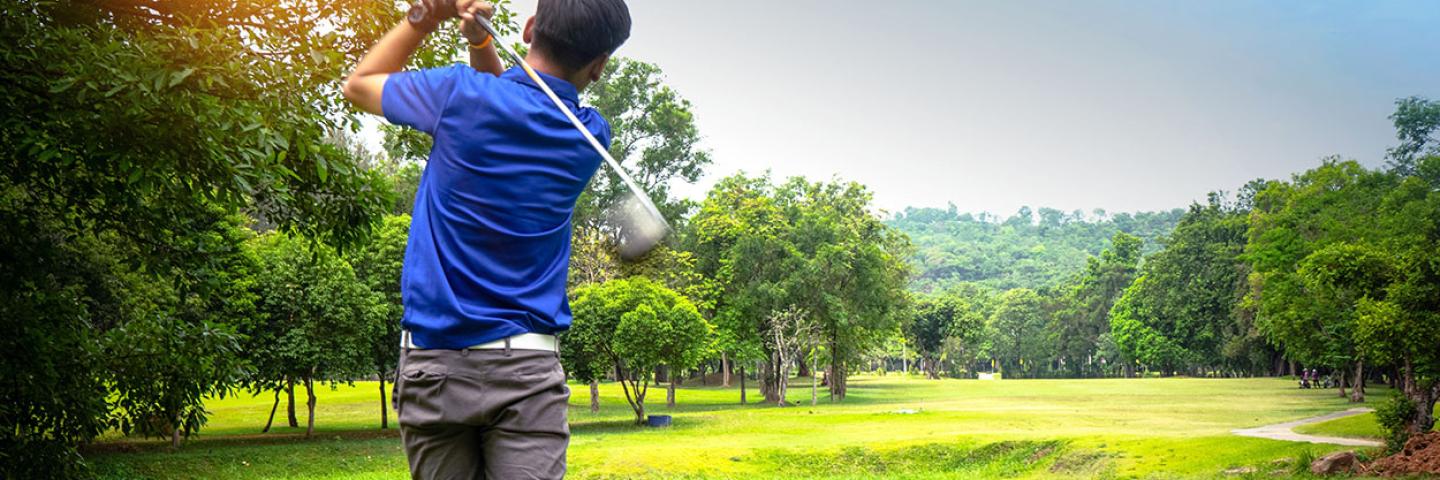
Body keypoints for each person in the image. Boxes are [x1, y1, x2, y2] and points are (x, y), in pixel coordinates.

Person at [341, 0, 631, 477]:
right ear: (599, 66)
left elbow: (360, 85)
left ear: (532, 28)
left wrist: (426, 16)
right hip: (527, 373)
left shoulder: (459, 95)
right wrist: (481, 44)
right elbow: (508, 101)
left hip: (434, 366)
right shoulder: (590, 135)